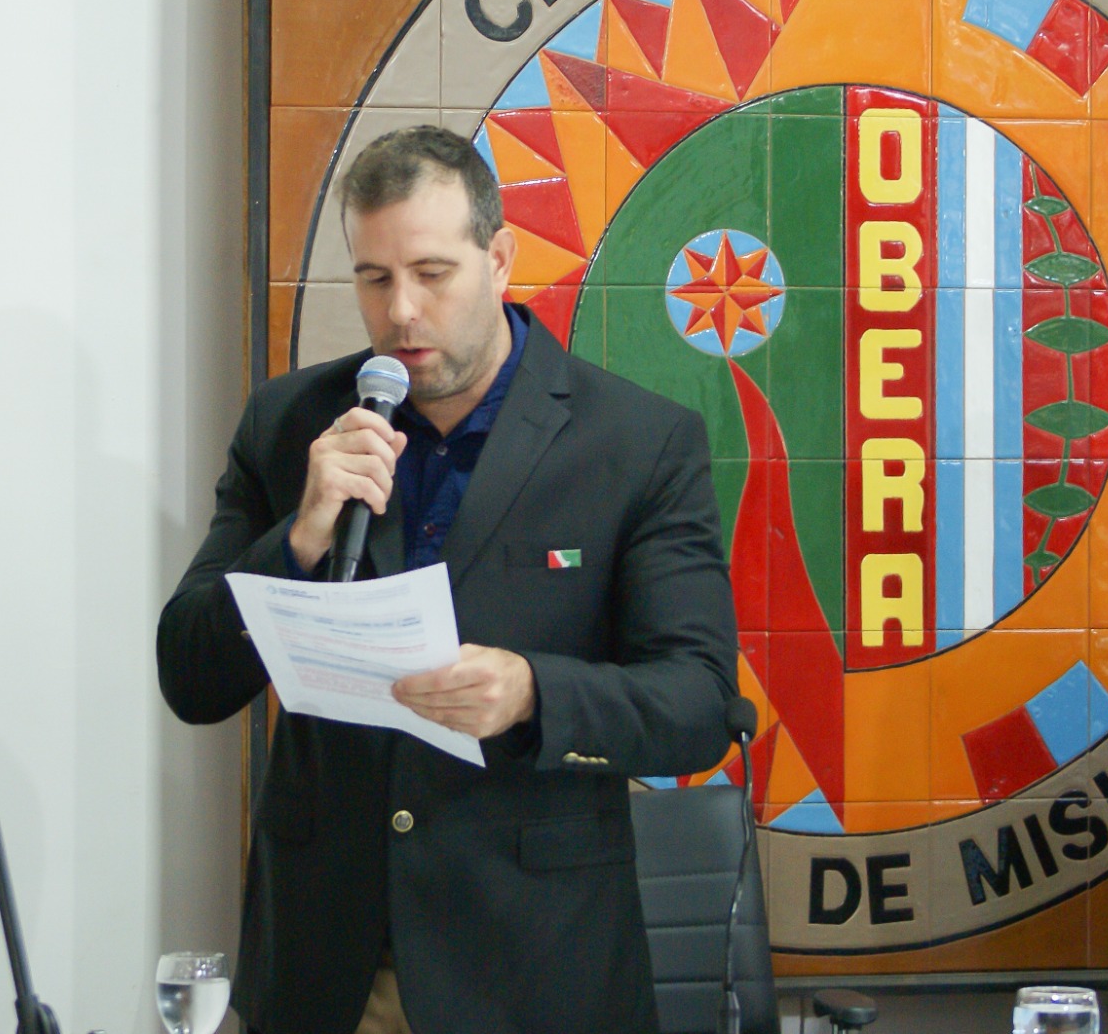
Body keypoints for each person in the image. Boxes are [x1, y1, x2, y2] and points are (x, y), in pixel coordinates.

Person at [157, 125, 738, 1034]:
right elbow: (190, 677)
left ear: (499, 259)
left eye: (433, 273)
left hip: (533, 971)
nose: (402, 313)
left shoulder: (635, 441)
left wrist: (533, 692)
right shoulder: (290, 422)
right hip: (324, 967)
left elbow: (699, 704)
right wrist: (298, 537)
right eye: (374, 278)